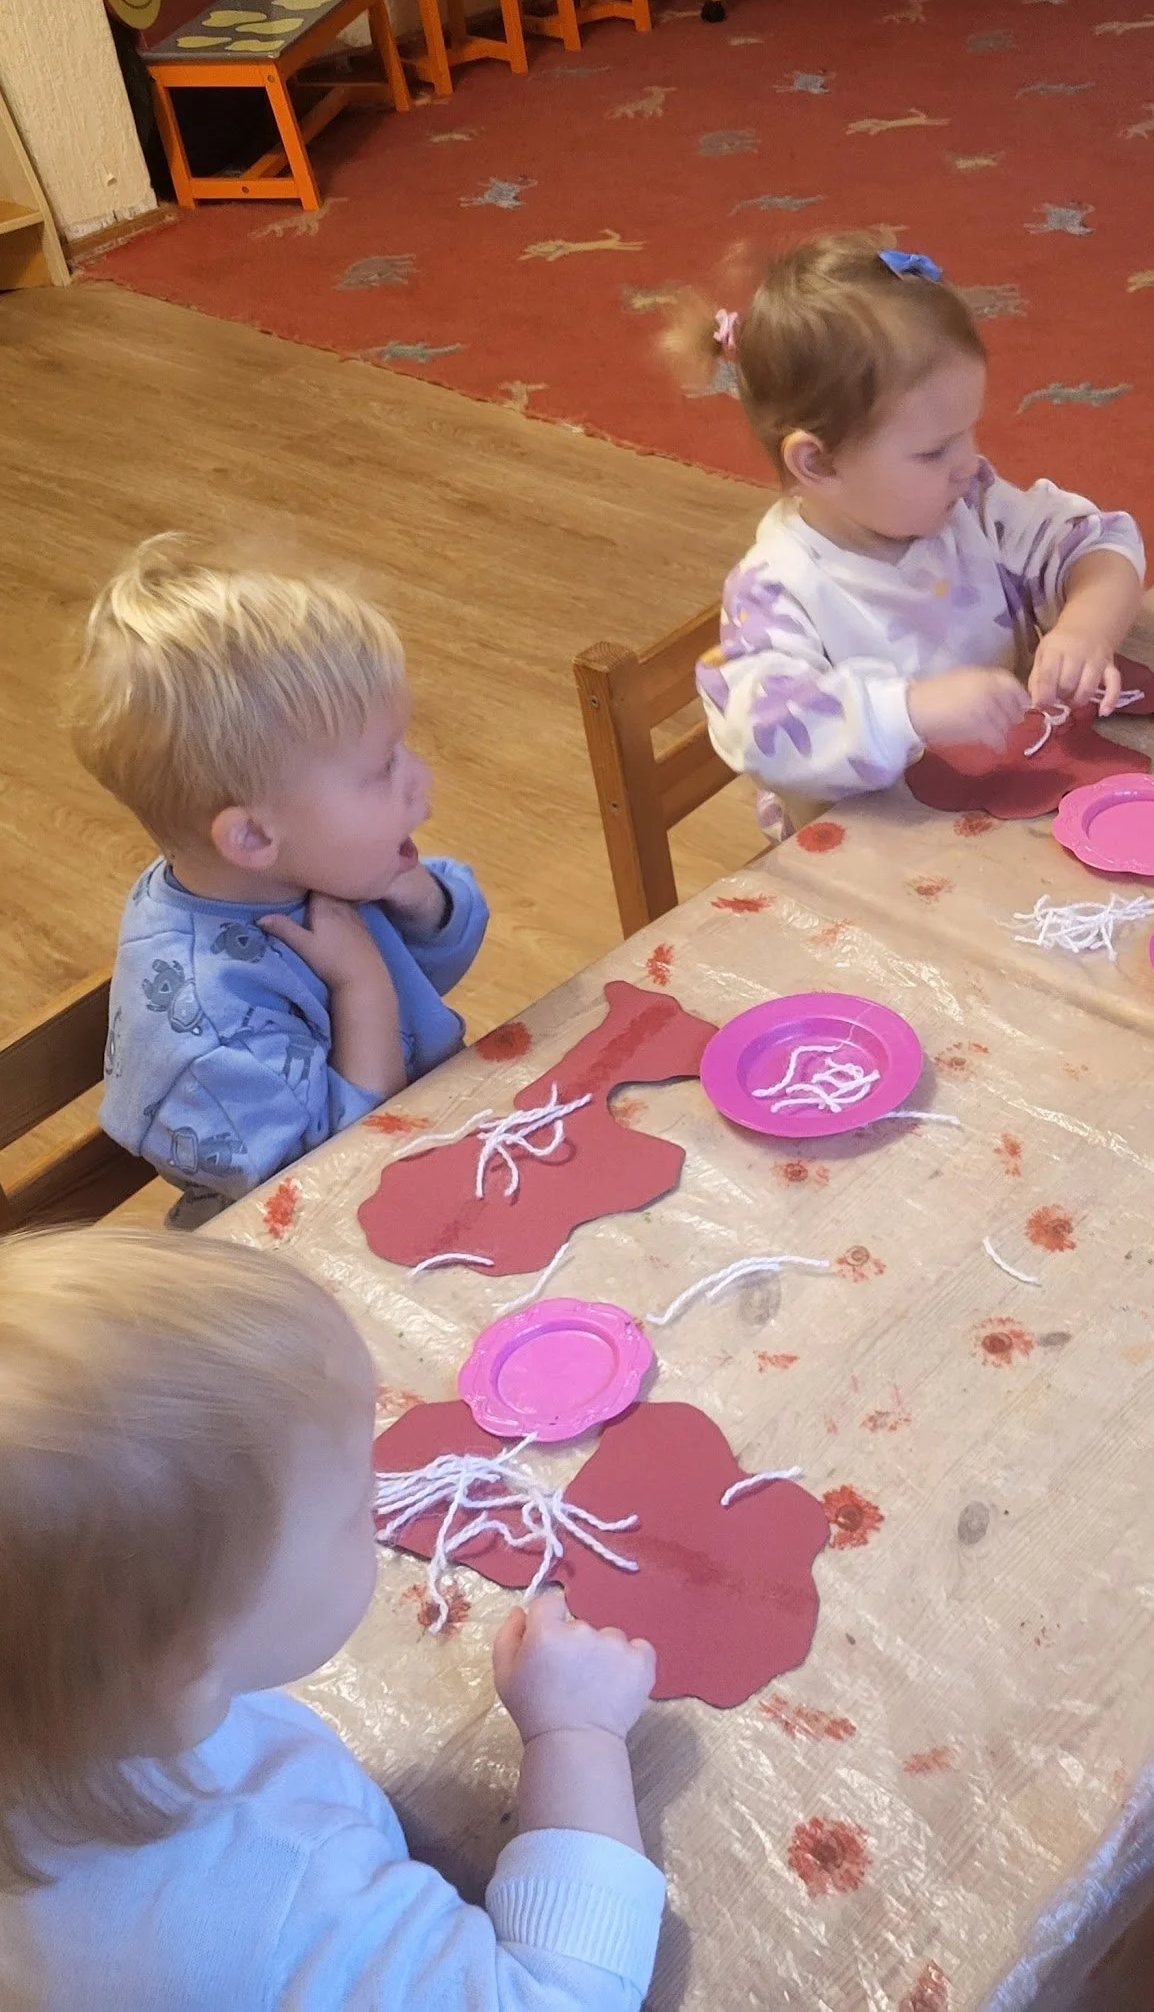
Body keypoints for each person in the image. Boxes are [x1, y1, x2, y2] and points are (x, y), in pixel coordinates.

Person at [0, 1225, 663, 2008]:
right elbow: (562, 1996)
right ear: (179, 1664)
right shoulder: (282, 1902)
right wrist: (574, 1733)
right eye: (353, 1504)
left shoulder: (61, 1694)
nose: (380, 1502)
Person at [71, 538, 489, 1225]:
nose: (420, 778)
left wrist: (416, 896)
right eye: (382, 765)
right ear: (253, 836)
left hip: (440, 1145)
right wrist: (362, 987)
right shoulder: (207, 1035)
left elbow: (450, 945)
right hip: (313, 1251)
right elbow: (342, 1183)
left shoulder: (301, 863)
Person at [671, 234, 1147, 836]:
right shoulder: (776, 590)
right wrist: (911, 712)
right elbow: (764, 733)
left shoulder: (970, 507)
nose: (969, 461)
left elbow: (1099, 544)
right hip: (875, 869)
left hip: (1007, 821)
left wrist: (1086, 627)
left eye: (968, 432)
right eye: (932, 451)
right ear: (819, 465)